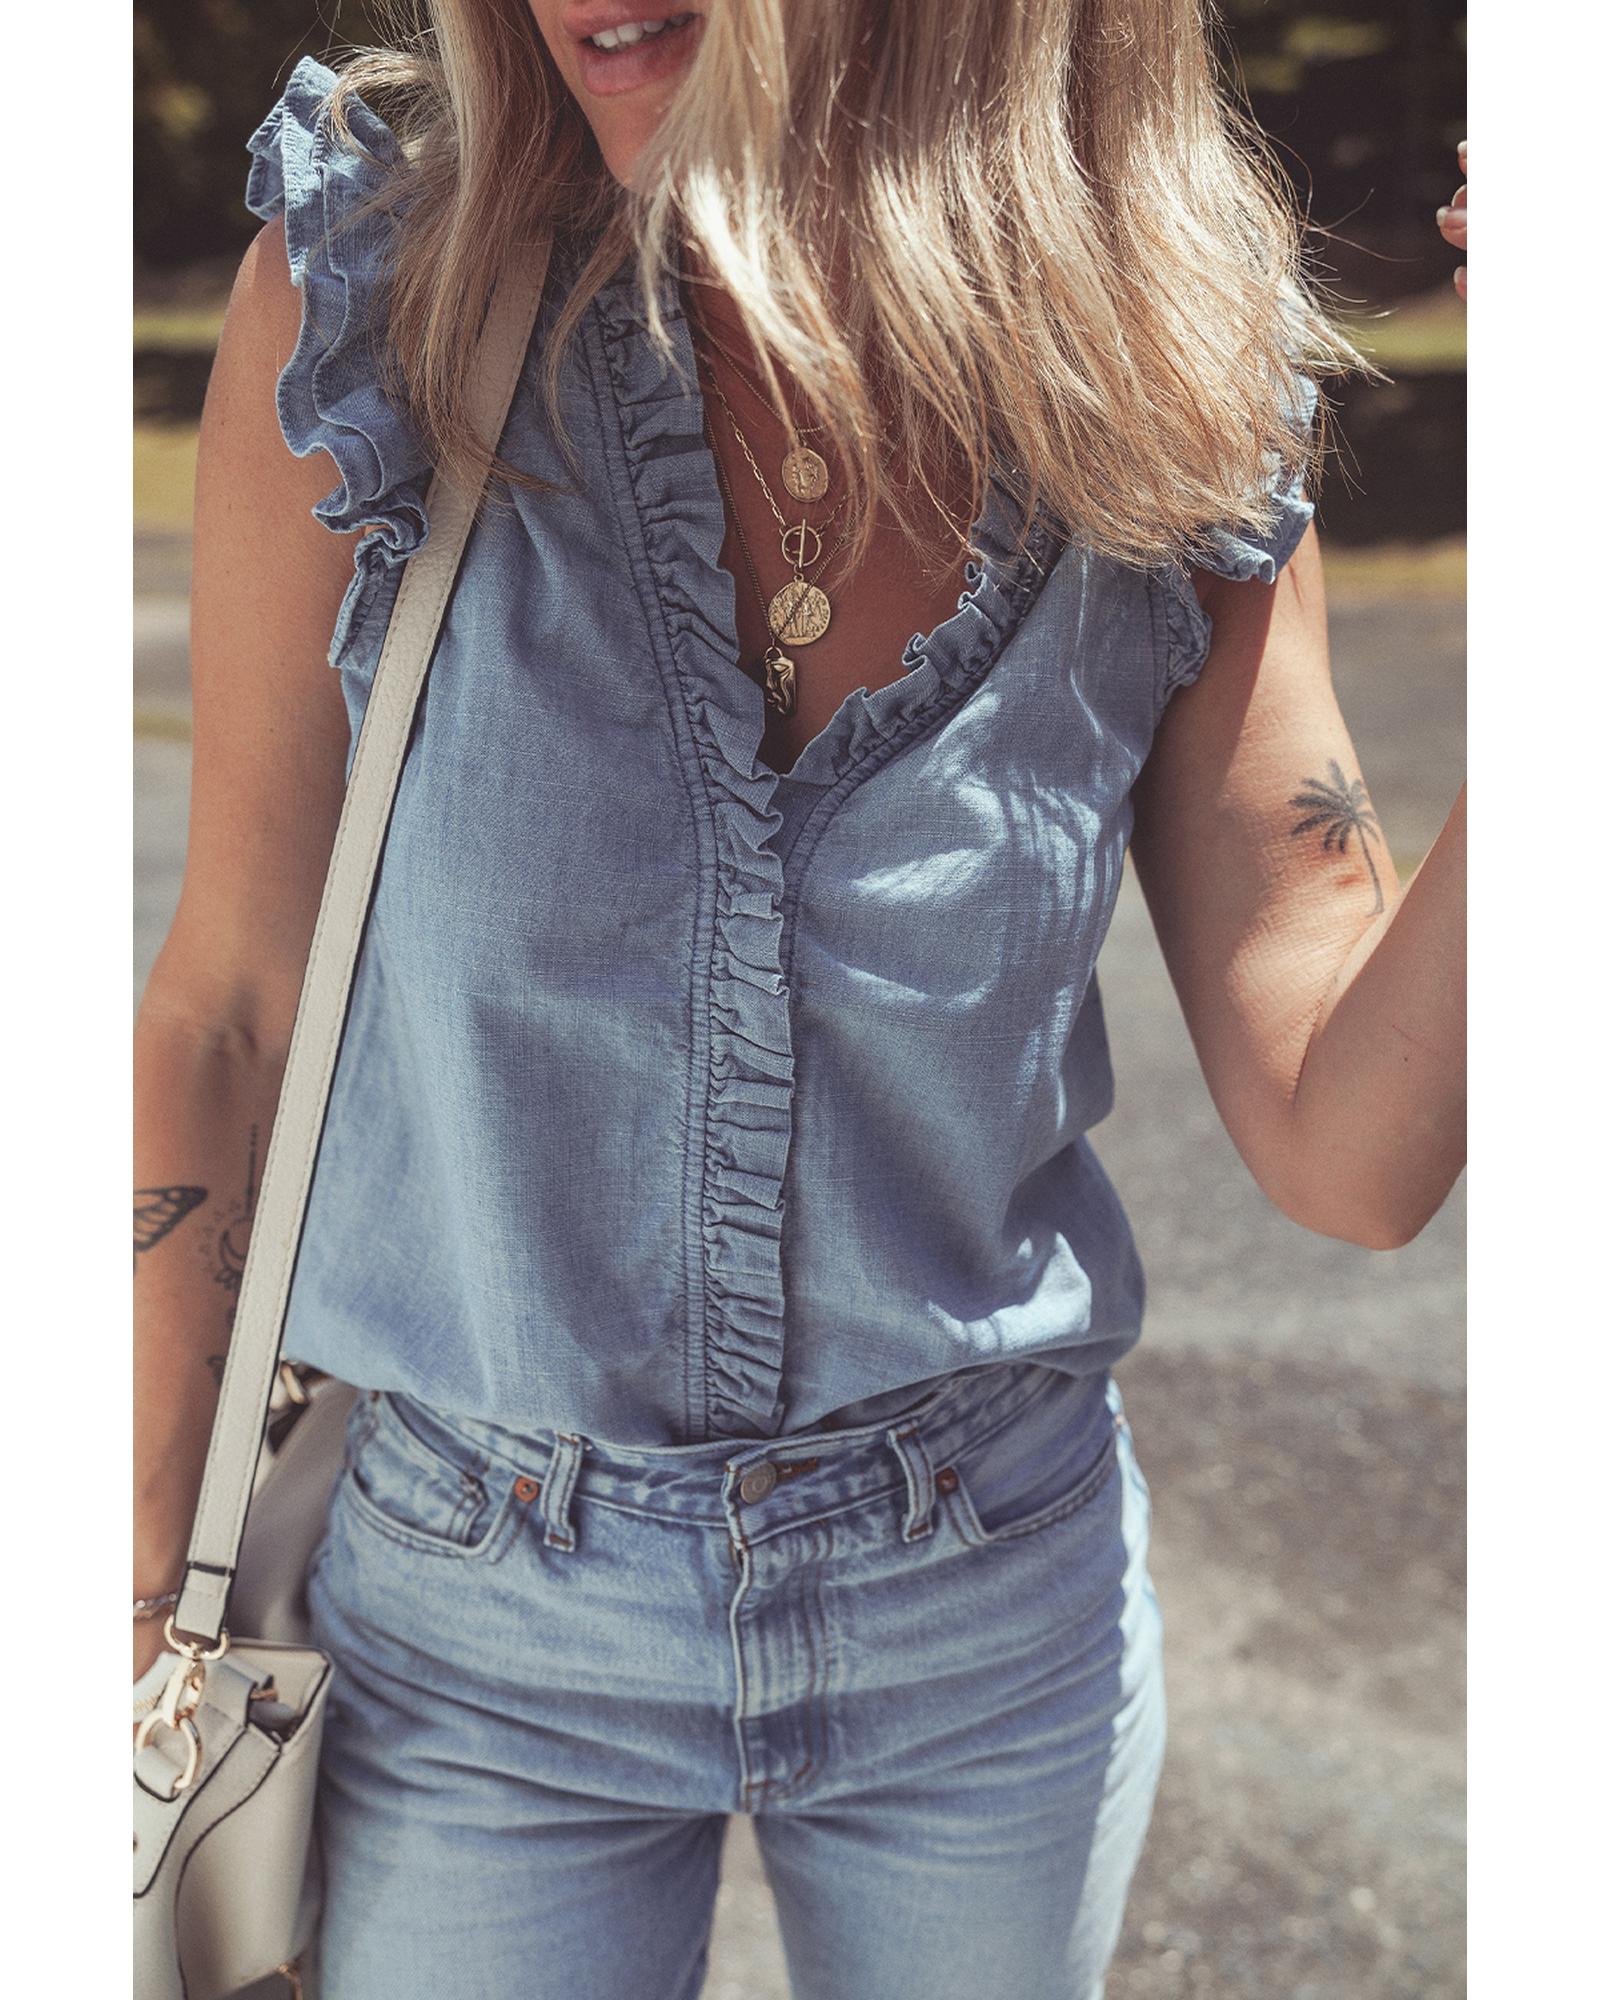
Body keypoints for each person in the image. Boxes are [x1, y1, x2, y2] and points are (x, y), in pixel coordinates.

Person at [132, 5, 1467, 1995]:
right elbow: (230, 1008)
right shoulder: (378, 293)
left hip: (987, 1612)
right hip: (473, 1627)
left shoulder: (1167, 359)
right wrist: (127, 1592)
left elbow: (1355, 1148)